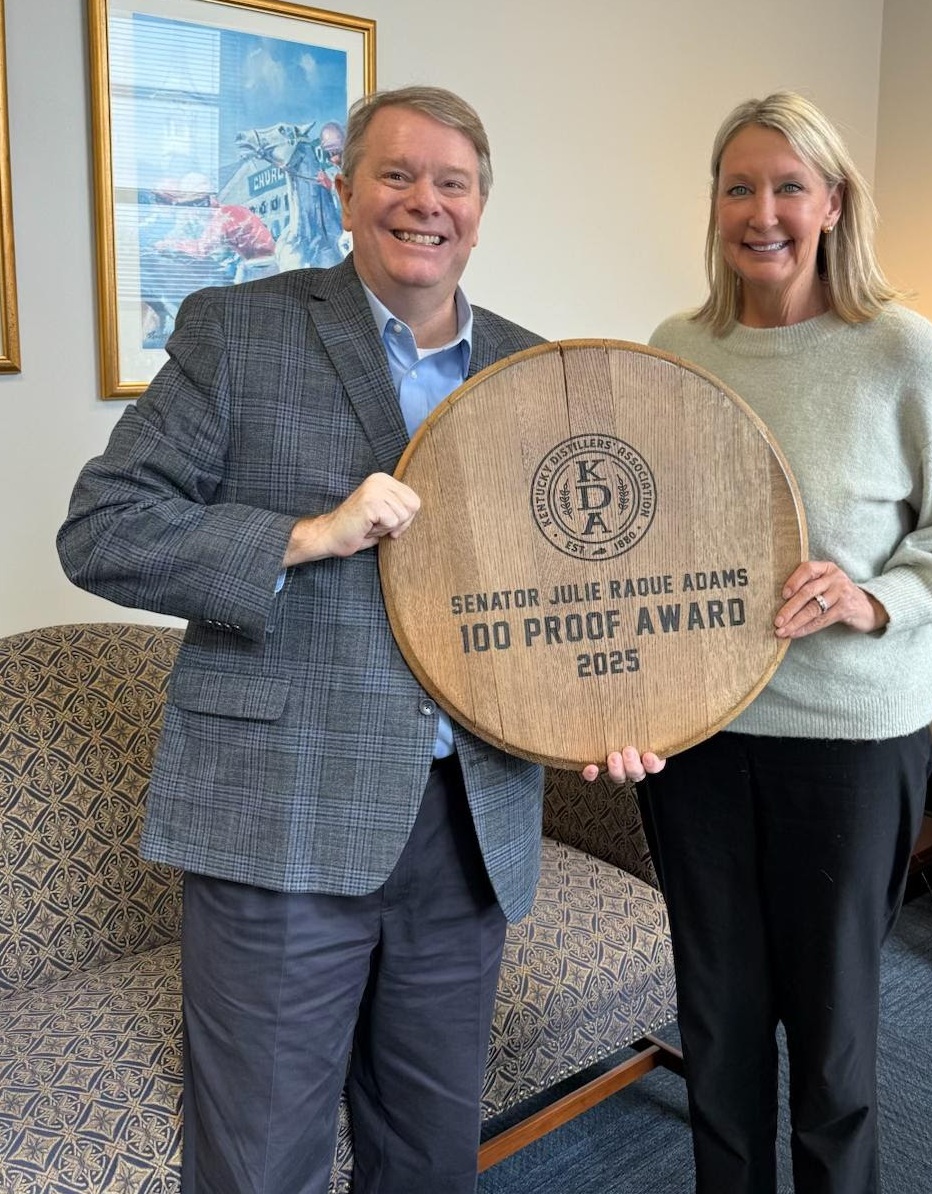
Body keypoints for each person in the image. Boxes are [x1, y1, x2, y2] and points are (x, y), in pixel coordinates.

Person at [58, 85, 659, 1194]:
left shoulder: (534, 371)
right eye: (396, 174)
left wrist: (604, 712)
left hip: (469, 827)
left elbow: (575, 585)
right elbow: (103, 531)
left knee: (428, 1154)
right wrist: (307, 536)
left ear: (480, 207)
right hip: (281, 815)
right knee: (262, 1163)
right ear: (342, 194)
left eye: (451, 182)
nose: (424, 201)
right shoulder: (238, 330)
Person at [637, 91, 932, 1194]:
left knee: (833, 1037)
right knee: (717, 1023)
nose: (762, 212)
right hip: (700, 738)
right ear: (713, 205)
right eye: (738, 188)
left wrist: (871, 598)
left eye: (788, 186)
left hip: (848, 742)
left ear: (832, 203)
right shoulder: (674, 349)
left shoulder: (899, 348)